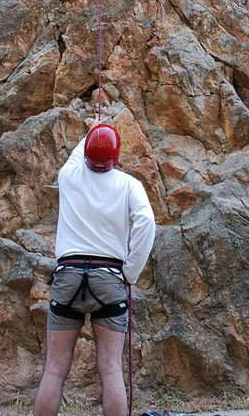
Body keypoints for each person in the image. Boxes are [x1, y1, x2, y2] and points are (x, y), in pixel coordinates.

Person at [34, 122, 156, 416]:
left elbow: (79, 152)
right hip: (109, 279)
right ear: (116, 156)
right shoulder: (129, 184)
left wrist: (94, 127)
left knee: (54, 369)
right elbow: (147, 222)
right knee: (111, 368)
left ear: (86, 150)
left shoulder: (68, 176)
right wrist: (131, 272)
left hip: (68, 276)